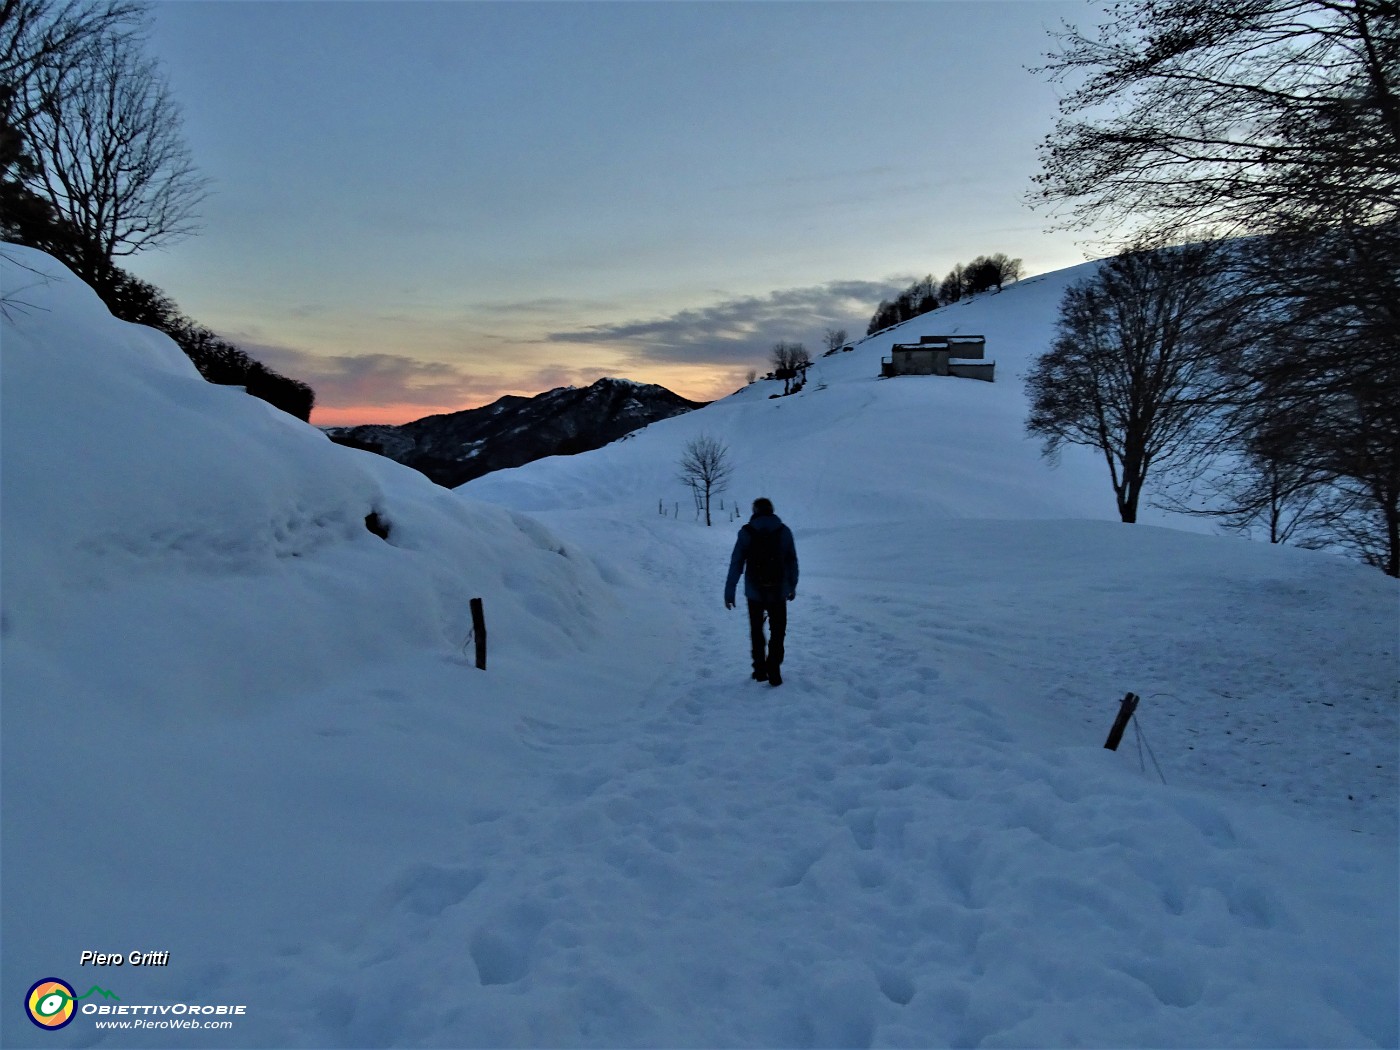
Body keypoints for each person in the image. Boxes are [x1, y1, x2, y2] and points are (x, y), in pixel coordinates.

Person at [724, 497, 799, 686]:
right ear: (772, 510)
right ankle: (773, 666)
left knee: (756, 630)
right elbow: (792, 561)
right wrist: (791, 586)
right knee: (778, 630)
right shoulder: (783, 531)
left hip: (754, 591)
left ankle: (759, 670)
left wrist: (729, 590)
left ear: (755, 511)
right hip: (779, 590)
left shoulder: (746, 532)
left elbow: (737, 563)